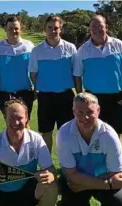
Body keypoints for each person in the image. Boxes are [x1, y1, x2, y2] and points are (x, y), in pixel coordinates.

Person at [0, 99, 58, 206]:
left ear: (27, 118)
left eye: (20, 118)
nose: (15, 123)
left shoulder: (36, 139)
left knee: (51, 186)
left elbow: (51, 169)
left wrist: (51, 175)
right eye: (11, 118)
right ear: (5, 118)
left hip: (26, 190)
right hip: (0, 194)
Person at [56, 92, 122, 206]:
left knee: (118, 202)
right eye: (80, 112)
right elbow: (71, 174)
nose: (85, 117)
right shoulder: (64, 134)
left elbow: (116, 175)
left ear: (98, 111)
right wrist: (108, 184)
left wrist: (84, 184)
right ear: (74, 111)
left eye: (90, 112)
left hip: (82, 183)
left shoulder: (110, 135)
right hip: (97, 180)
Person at [73, 15, 122, 138]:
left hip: (117, 98)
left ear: (106, 27)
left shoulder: (119, 45)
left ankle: (115, 158)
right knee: (92, 133)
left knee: (115, 135)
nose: (97, 29)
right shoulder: (83, 50)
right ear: (89, 30)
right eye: (93, 27)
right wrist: (81, 98)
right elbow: (77, 76)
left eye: (100, 26)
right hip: (92, 99)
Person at [29, 15, 77, 152]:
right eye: (49, 28)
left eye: (56, 28)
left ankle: (67, 166)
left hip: (66, 96)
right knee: (46, 132)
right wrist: (45, 86)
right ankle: (46, 165)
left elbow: (76, 72)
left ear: (60, 29)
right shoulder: (37, 50)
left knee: (66, 134)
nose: (52, 31)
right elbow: (33, 75)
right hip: (45, 97)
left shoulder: (70, 48)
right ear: (45, 29)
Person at [0, 16, 35, 119]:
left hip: (25, 92)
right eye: (10, 28)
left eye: (16, 28)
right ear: (5, 29)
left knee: (24, 123)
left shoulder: (29, 46)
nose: (13, 31)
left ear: (21, 29)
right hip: (5, 94)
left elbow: (35, 70)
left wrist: (36, 89)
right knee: (11, 124)